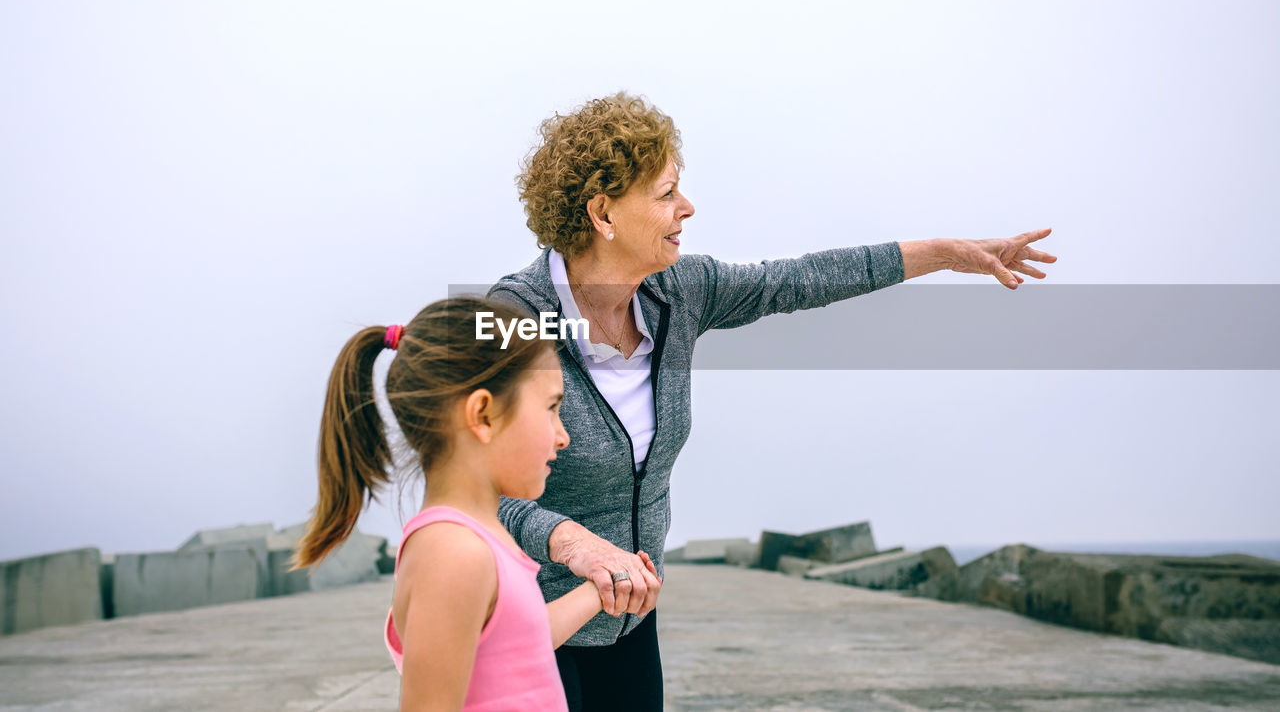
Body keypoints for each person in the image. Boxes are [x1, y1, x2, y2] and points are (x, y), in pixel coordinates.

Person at [487, 92, 1058, 711]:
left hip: (630, 623)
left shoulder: (678, 294)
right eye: (665, 193)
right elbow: (479, 488)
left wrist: (943, 254)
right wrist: (572, 542)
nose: (687, 208)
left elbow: (796, 280)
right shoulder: (517, 318)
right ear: (603, 212)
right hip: (533, 627)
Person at [292, 297, 658, 711]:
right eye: (552, 408)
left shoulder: (480, 538)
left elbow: (522, 640)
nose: (563, 436)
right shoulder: (453, 554)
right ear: (483, 414)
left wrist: (604, 587)